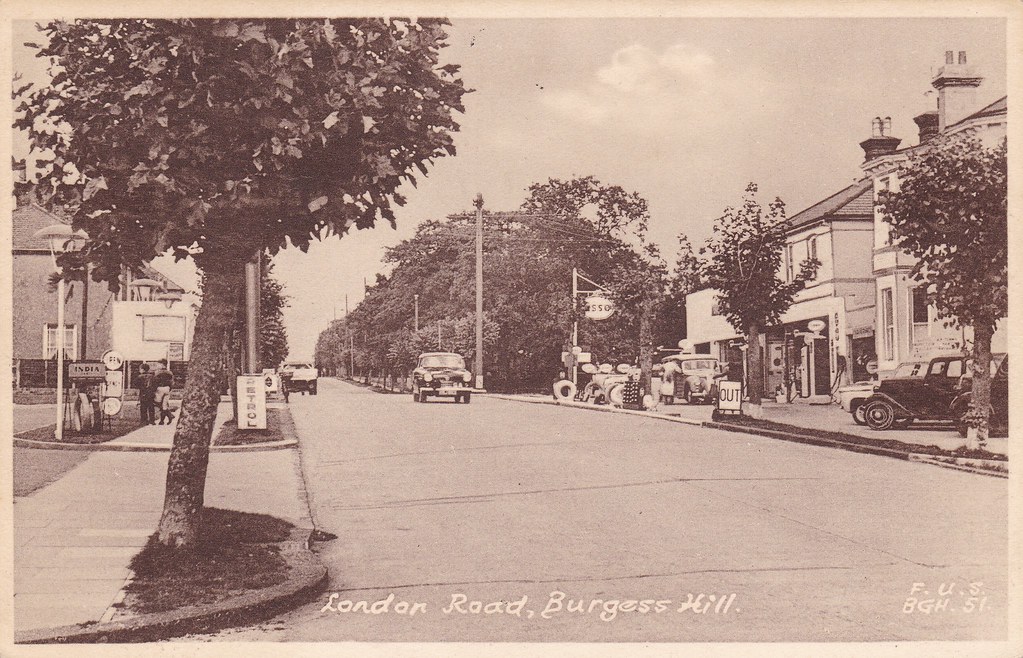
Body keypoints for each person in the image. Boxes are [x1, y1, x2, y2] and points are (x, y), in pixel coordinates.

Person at [153, 360, 175, 425]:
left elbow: (155, 382)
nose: (157, 366)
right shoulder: (170, 372)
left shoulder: (157, 372)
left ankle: (169, 415)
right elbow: (172, 382)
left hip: (160, 389)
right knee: (164, 405)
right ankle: (162, 420)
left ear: (162, 365)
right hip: (167, 389)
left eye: (158, 364)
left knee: (157, 403)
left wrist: (154, 389)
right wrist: (170, 388)